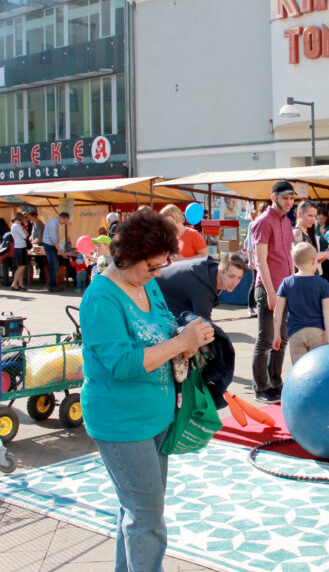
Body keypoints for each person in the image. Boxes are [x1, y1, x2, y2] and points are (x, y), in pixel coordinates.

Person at [79, 208, 214, 572]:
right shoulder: (101, 298)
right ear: (126, 257)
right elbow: (121, 364)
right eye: (151, 267)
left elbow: (165, 327)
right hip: (122, 422)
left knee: (137, 512)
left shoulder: (146, 282)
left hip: (155, 417)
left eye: (160, 266)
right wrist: (180, 343)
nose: (157, 274)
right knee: (147, 519)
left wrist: (189, 340)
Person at [249, 180, 297, 403]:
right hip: (269, 287)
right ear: (273, 197)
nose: (289, 201)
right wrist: (270, 292)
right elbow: (261, 261)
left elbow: (289, 255)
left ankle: (275, 383)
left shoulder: (287, 221)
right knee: (266, 339)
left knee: (282, 338)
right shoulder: (263, 222)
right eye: (285, 197)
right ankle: (261, 387)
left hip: (286, 288)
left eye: (292, 198)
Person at [273, 242, 329, 365]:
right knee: (317, 368)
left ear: (294, 263)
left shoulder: (286, 283)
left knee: (300, 370)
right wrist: (328, 335)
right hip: (317, 332)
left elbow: (277, 312)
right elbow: (327, 312)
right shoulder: (323, 283)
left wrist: (277, 334)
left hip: (295, 333)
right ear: (313, 261)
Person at [155, 252, 247, 321]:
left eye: (239, 278)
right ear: (220, 272)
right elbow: (203, 323)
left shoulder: (210, 271)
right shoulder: (203, 288)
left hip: (171, 293)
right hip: (155, 290)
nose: (235, 282)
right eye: (231, 276)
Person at [292, 200, 329, 272]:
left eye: (315, 216)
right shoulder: (297, 232)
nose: (313, 219)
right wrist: (326, 254)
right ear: (299, 214)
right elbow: (301, 259)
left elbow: (313, 260)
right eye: (310, 215)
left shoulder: (306, 231)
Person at [245, 202, 269, 317]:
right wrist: (250, 260)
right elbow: (250, 244)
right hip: (256, 260)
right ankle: (250, 307)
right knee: (255, 282)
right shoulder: (253, 224)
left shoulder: (269, 223)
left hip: (268, 260)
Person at [43, 211, 71, 292]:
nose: (65, 222)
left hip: (51, 245)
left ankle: (53, 284)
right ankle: (52, 285)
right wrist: (61, 252)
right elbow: (54, 241)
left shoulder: (54, 223)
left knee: (54, 266)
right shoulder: (53, 225)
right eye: (65, 221)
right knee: (54, 266)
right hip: (49, 246)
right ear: (62, 218)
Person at [10, 212, 30, 291]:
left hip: (18, 246)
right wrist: (24, 229)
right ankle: (14, 284)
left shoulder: (14, 226)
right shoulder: (18, 226)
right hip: (21, 247)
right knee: (22, 266)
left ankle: (20, 284)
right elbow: (25, 235)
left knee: (21, 266)